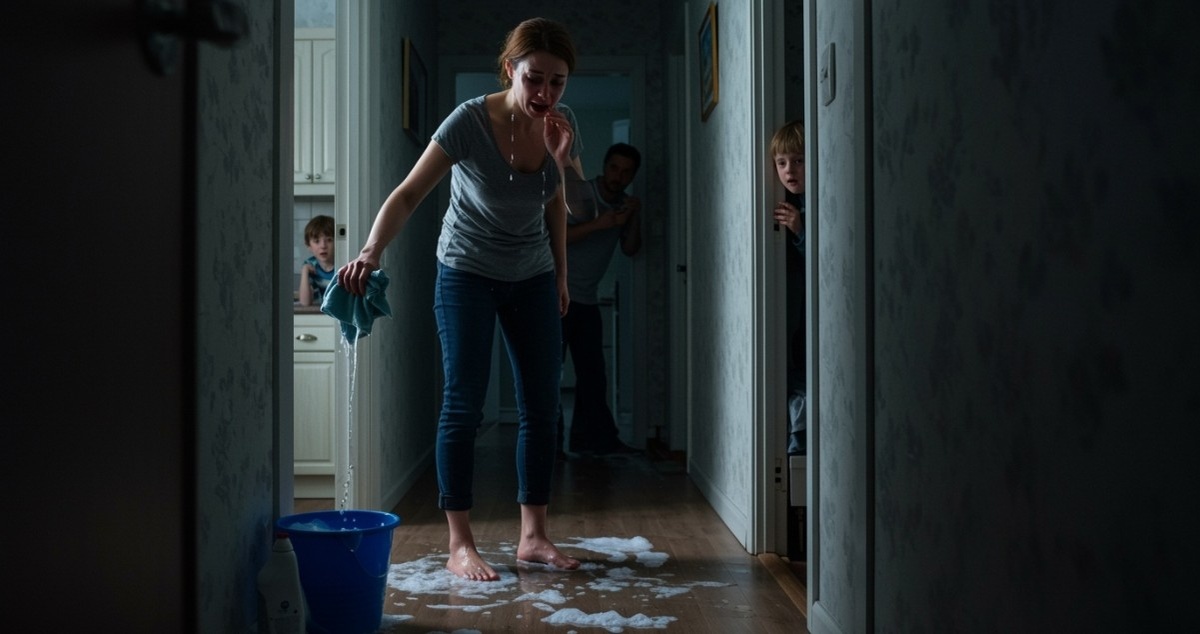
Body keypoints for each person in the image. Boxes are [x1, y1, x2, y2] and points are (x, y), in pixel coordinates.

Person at [336, 17, 583, 582]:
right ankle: (460, 543)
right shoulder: (469, 121)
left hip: (533, 274)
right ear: (510, 70)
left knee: (541, 405)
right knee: (464, 404)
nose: (545, 93)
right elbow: (408, 193)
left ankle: (533, 537)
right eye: (535, 78)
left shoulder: (560, 125)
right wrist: (371, 251)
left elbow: (562, 205)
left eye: (558, 82)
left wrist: (562, 273)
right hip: (466, 270)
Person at [557, 143, 643, 456]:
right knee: (549, 374)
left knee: (593, 375)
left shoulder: (623, 205)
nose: (618, 176)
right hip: (556, 296)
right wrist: (599, 224)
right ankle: (550, 447)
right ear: (604, 167)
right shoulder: (581, 195)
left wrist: (633, 216)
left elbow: (631, 249)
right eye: (614, 168)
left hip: (587, 301)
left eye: (626, 172)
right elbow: (556, 237)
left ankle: (593, 441)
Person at [769, 120, 806, 456]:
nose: (789, 170)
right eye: (781, 162)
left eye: (798, 161)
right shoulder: (792, 202)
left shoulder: (815, 202)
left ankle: (800, 440)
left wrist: (800, 230)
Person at [298, 214, 335, 306]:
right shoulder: (310, 265)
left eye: (329, 240)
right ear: (308, 246)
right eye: (317, 241)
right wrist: (305, 271)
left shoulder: (342, 264)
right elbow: (305, 302)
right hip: (319, 313)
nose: (323, 246)